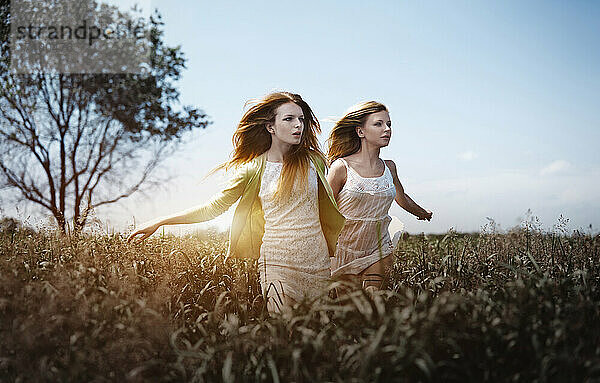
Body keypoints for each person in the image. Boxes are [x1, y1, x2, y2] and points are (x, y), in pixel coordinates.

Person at [128, 92, 345, 312]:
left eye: (301, 119)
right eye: (288, 119)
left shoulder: (314, 161)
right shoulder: (252, 169)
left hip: (316, 261)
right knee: (283, 332)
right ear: (270, 127)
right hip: (277, 260)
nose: (298, 125)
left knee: (316, 335)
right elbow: (212, 208)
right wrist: (160, 221)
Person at [326, 101, 432, 291]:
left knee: (376, 300)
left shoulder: (389, 167)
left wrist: (422, 212)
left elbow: (402, 198)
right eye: (379, 124)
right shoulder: (341, 168)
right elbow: (324, 208)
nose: (387, 129)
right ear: (360, 131)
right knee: (351, 311)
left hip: (378, 247)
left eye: (389, 124)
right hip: (344, 249)